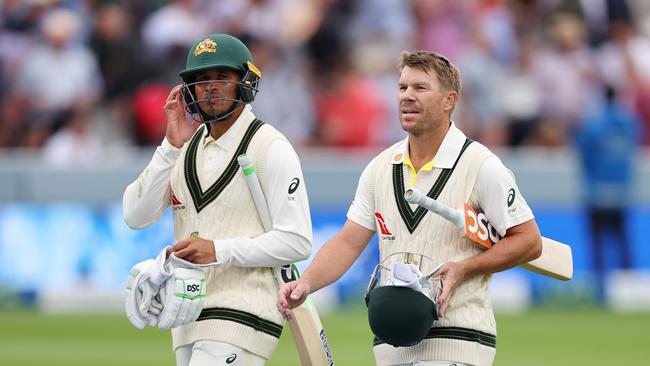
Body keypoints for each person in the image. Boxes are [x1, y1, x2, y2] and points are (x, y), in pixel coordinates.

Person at [277, 50, 543, 366]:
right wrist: (307, 283)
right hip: (391, 341)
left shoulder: (481, 166)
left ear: (449, 100)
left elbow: (529, 241)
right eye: (402, 88)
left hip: (456, 337)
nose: (407, 97)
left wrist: (463, 268)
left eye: (420, 88)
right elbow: (349, 241)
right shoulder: (379, 168)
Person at [123, 34, 312, 366]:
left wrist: (217, 250)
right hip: (185, 311)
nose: (210, 87)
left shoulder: (270, 147)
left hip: (244, 310)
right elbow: (135, 215)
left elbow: (296, 241)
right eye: (201, 80)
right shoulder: (181, 148)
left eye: (222, 78)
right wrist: (169, 146)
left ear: (246, 81)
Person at [575, 85, 641, 303]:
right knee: (623, 243)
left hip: (596, 194)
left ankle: (601, 292)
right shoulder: (629, 123)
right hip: (621, 194)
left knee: (598, 246)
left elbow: (584, 156)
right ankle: (630, 292)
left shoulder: (593, 124)